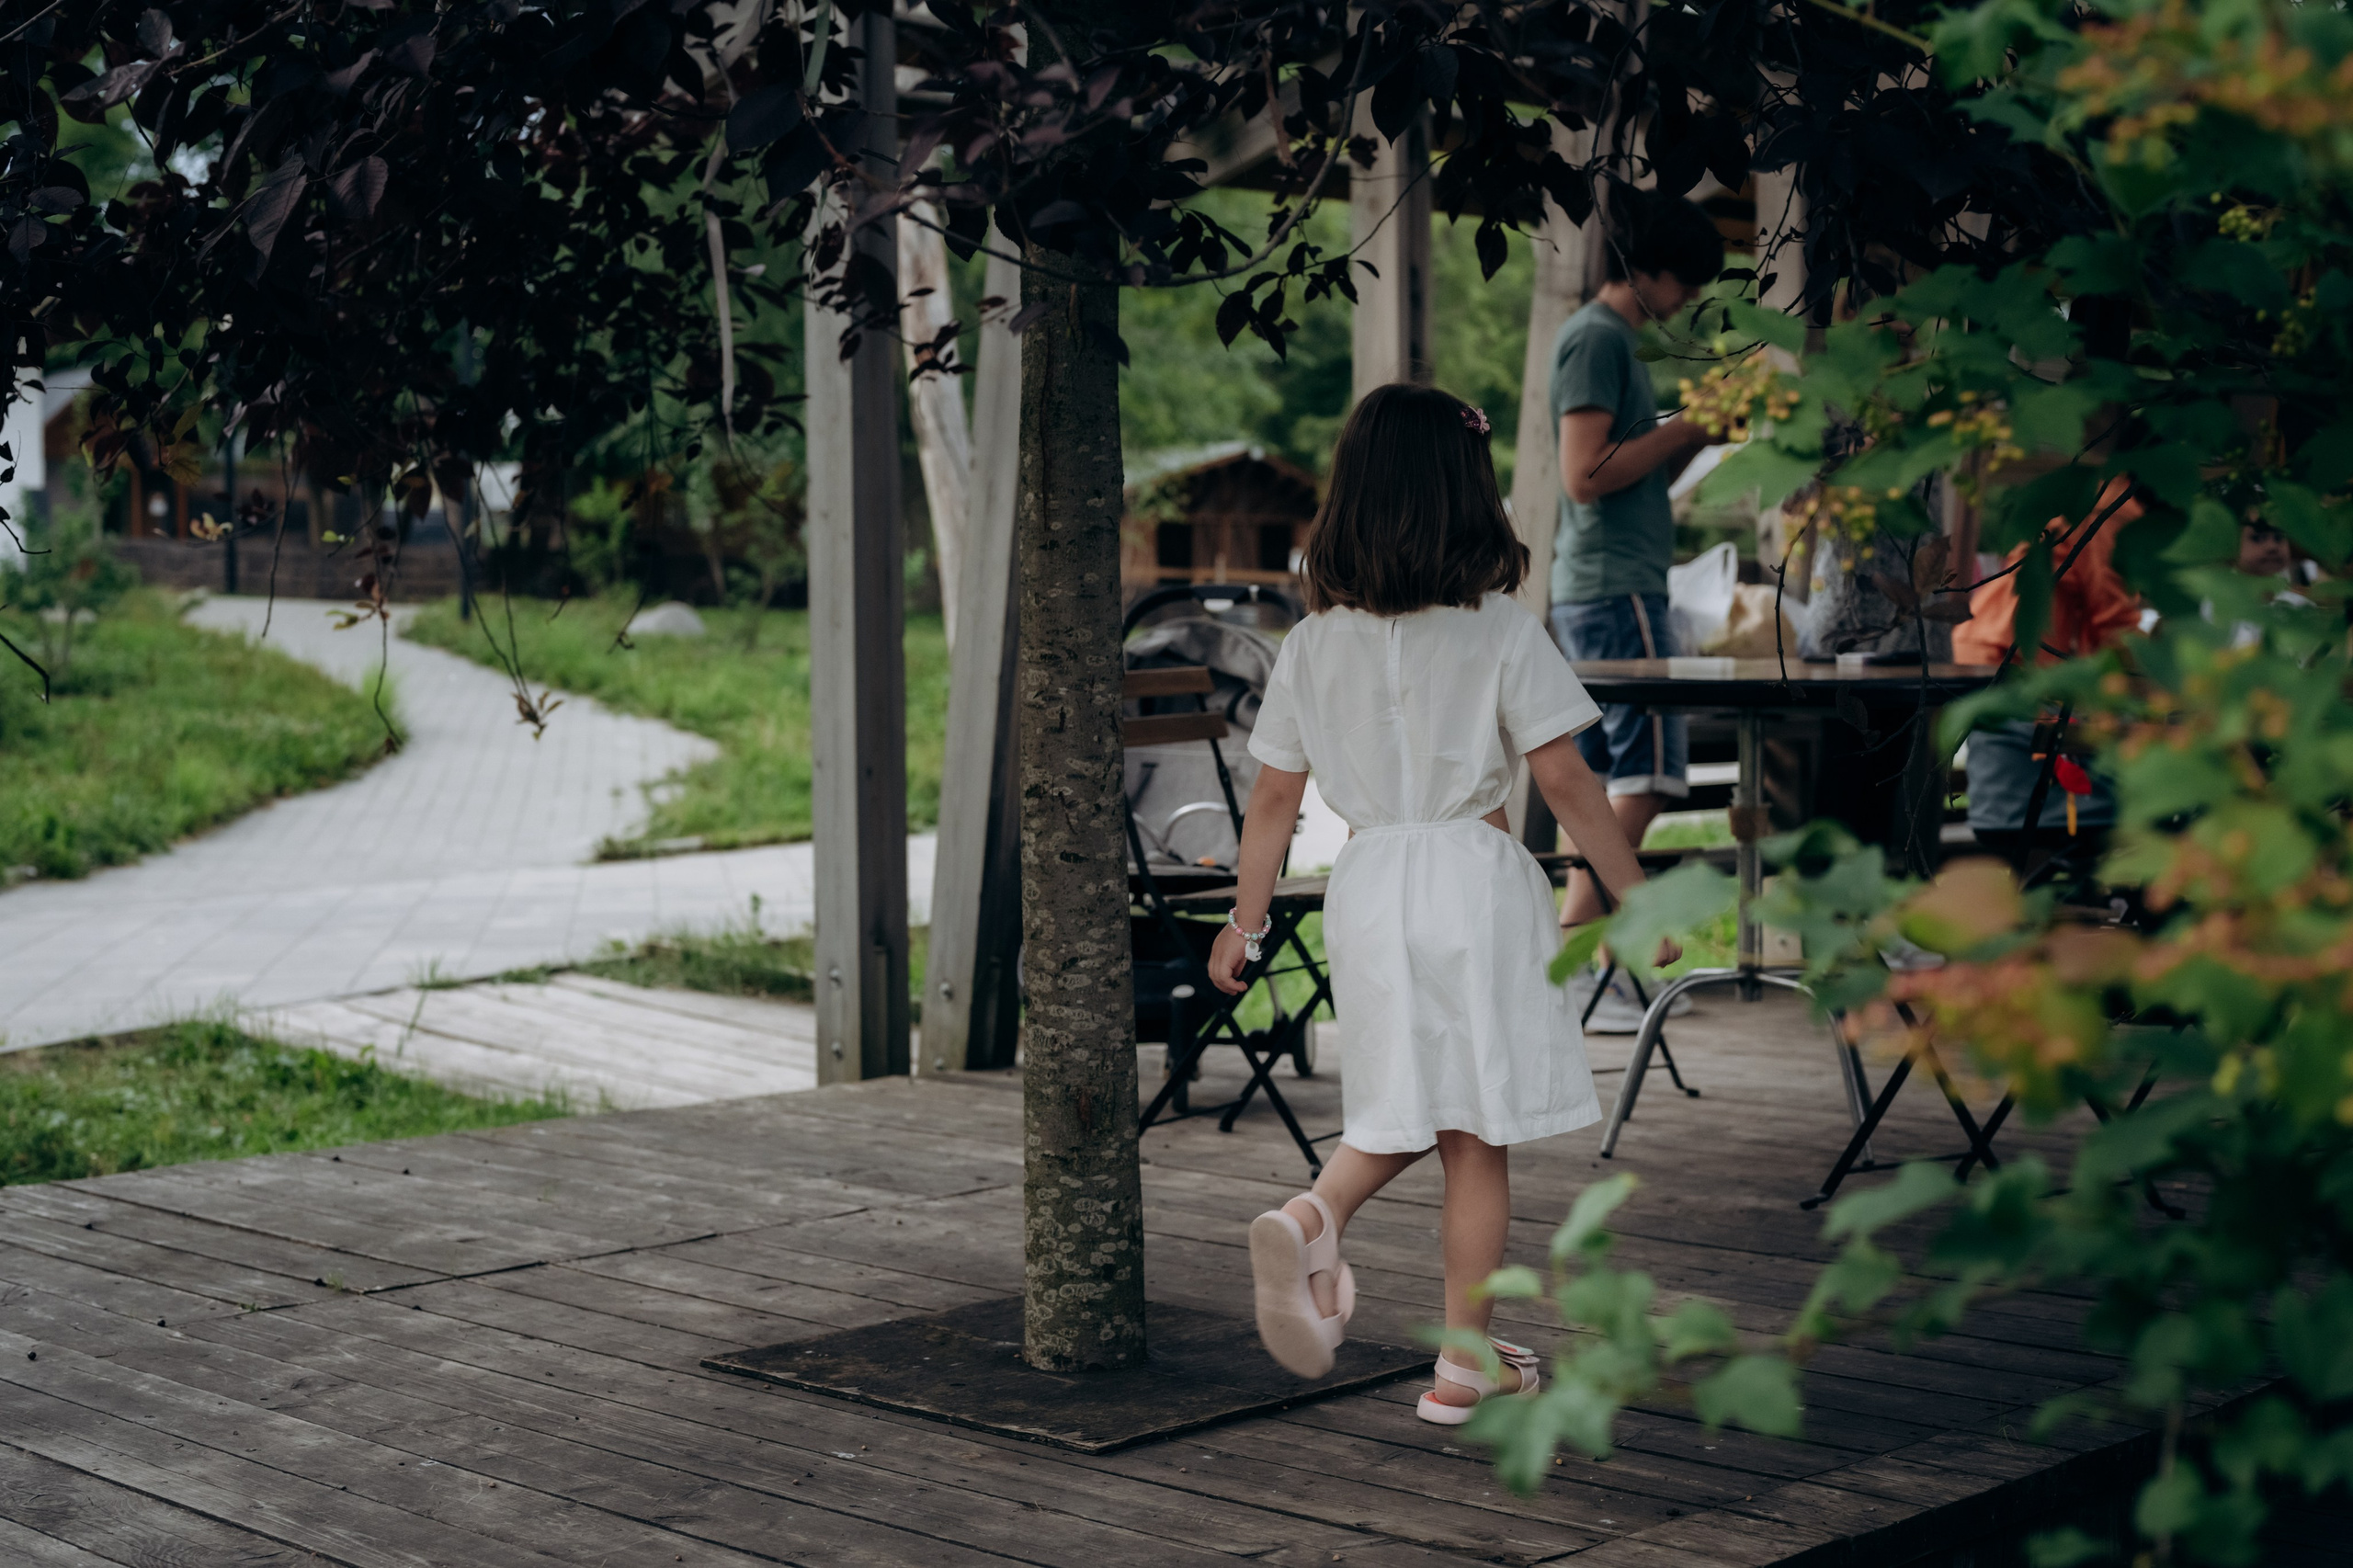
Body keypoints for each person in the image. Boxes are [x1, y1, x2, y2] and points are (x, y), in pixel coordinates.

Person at [1209, 384, 1676, 1424]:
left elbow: (1273, 801)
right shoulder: (1498, 628)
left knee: (1408, 1099)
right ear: (1466, 496)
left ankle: (1319, 1215)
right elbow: (1567, 783)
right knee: (1472, 1130)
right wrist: (1636, 905)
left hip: (1368, 887)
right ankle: (1461, 1360)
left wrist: (1245, 921)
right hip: (1474, 882)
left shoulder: (1311, 644)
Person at [1544, 191, 1724, 1028]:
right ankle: (1582, 966)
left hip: (1607, 583)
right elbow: (1584, 475)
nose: (1687, 300)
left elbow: (1627, 468)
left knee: (1602, 778)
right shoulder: (1598, 338)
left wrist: (1695, 433)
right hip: (1617, 588)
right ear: (1645, 269)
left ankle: (1584, 970)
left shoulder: (1616, 343)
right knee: (1650, 776)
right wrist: (1688, 428)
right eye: (1684, 282)